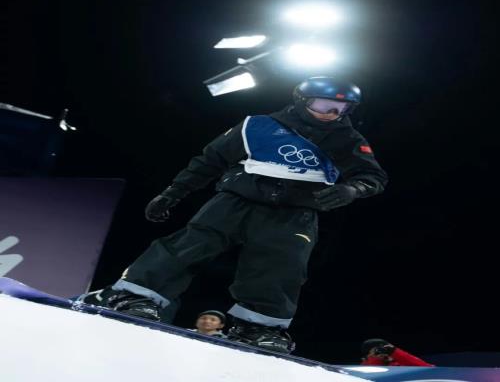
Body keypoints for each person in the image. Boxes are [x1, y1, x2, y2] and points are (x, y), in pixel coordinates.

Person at [78, 76, 388, 354]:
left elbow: (372, 176)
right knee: (190, 245)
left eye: (341, 109)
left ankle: (260, 327)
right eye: (323, 105)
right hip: (236, 200)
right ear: (301, 100)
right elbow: (210, 160)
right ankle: (135, 296)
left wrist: (353, 189)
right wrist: (173, 193)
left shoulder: (348, 140)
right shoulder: (257, 126)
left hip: (295, 213)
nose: (331, 114)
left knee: (281, 267)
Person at [360, 338, 434, 366]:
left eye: (384, 349)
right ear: (368, 354)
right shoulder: (364, 367)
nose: (382, 352)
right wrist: (375, 359)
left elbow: (429, 369)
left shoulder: (398, 363)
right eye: (377, 350)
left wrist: (395, 352)